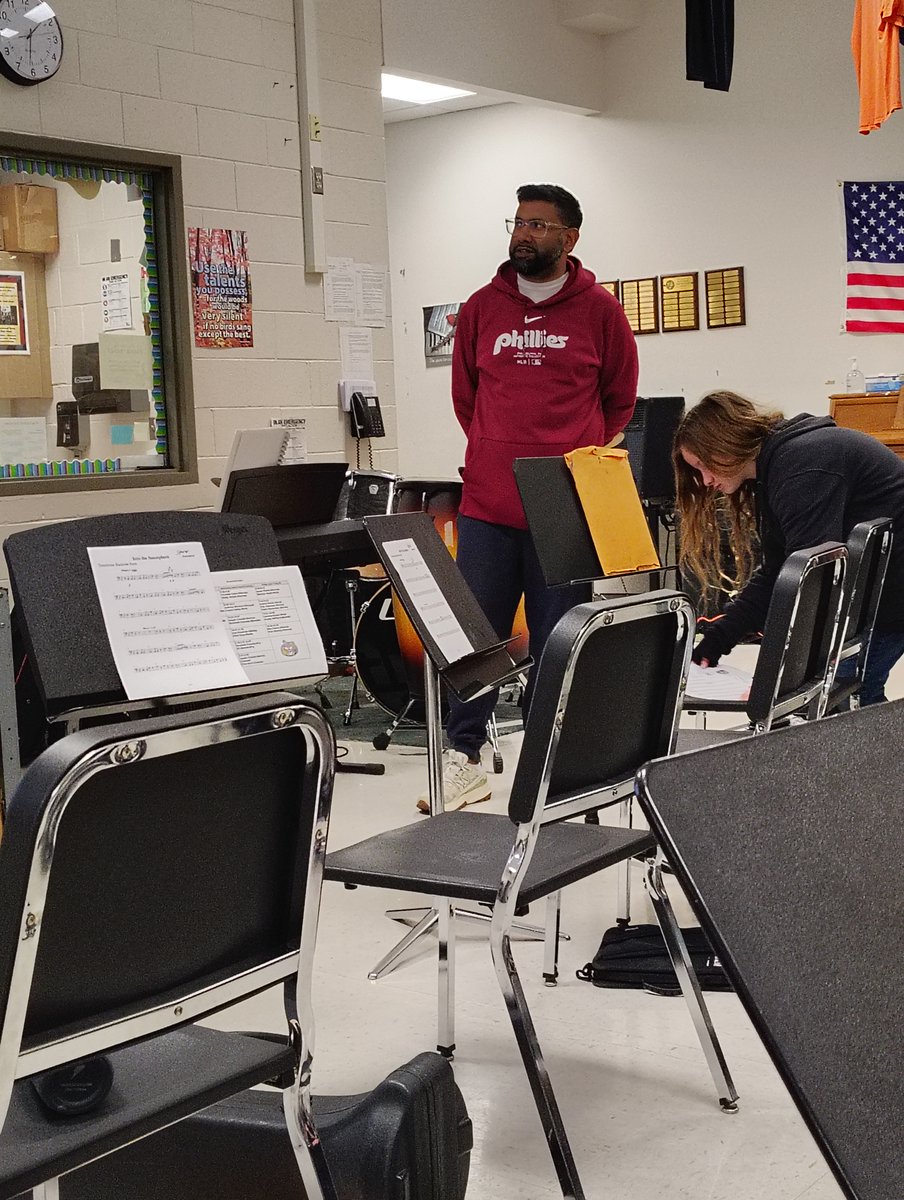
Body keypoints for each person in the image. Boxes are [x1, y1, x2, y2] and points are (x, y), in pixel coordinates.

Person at [417, 183, 638, 813]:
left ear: (569, 238)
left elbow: (620, 398)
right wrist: (493, 449)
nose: (524, 234)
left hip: (564, 503)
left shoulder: (600, 311)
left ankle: (550, 763)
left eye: (539, 224)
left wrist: (573, 451)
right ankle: (463, 757)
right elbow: (466, 397)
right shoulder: (483, 307)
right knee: (473, 636)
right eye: (518, 222)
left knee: (558, 639)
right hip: (487, 502)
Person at [673, 390, 904, 704]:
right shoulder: (781, 465)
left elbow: (811, 584)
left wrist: (775, 680)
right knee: (842, 699)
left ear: (723, 443)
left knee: (841, 698)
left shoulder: (801, 466)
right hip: (880, 588)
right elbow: (778, 573)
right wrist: (721, 636)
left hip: (890, 591)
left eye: (702, 465)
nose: (705, 480)